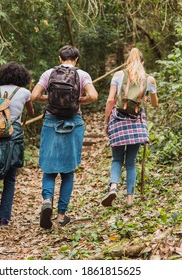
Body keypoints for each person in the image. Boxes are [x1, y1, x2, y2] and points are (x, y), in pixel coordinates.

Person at [31, 45, 98, 229]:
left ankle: (46, 200)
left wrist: (49, 98)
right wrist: (78, 100)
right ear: (76, 59)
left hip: (51, 121)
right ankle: (61, 215)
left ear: (59, 58)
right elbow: (93, 95)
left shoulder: (48, 73)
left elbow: (34, 95)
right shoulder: (82, 74)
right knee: (68, 171)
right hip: (73, 122)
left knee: (49, 168)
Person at [102, 47, 159, 207]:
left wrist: (106, 121)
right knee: (131, 162)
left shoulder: (119, 75)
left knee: (117, 159)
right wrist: (147, 97)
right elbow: (155, 105)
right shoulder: (149, 80)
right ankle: (130, 199)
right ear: (142, 61)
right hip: (136, 123)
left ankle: (113, 187)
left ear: (127, 61)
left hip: (118, 120)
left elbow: (110, 100)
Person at [0, 62, 34, 228]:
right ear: (22, 77)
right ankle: (4, 218)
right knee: (10, 177)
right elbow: (31, 113)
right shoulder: (25, 92)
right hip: (14, 135)